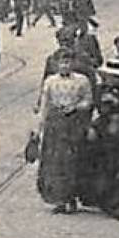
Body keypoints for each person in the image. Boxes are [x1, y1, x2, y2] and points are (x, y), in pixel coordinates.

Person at [33, 51, 92, 214]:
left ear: (73, 63)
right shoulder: (50, 82)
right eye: (61, 62)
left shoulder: (82, 81)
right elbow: (45, 104)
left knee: (72, 160)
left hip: (74, 123)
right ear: (56, 64)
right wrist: (39, 128)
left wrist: (76, 107)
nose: (65, 65)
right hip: (55, 125)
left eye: (68, 62)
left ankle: (71, 197)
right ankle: (58, 198)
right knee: (54, 162)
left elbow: (88, 101)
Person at [80, 89, 119, 218]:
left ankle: (116, 204)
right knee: (106, 170)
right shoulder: (101, 91)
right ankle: (107, 202)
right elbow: (97, 113)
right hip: (105, 137)